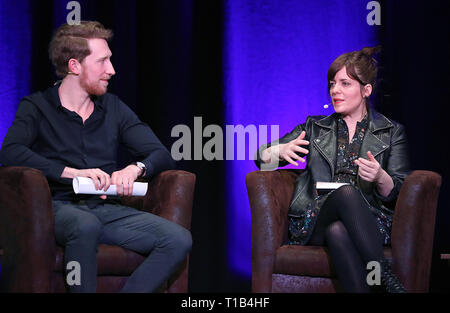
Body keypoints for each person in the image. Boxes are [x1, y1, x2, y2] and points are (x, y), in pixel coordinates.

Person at [0, 21, 192, 293]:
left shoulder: (113, 108)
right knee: (84, 224)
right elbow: (10, 152)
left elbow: (160, 153)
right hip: (56, 209)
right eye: (102, 62)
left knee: (178, 239)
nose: (111, 70)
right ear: (74, 66)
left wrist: (135, 169)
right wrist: (72, 173)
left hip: (106, 210)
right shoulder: (37, 107)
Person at [256, 46, 410, 293]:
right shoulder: (315, 127)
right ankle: (387, 278)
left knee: (339, 232)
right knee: (346, 192)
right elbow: (260, 157)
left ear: (366, 90)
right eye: (332, 84)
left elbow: (401, 188)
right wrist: (278, 152)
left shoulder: (392, 132)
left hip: (370, 220)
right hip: (316, 217)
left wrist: (381, 178)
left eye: (345, 84)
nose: (335, 91)